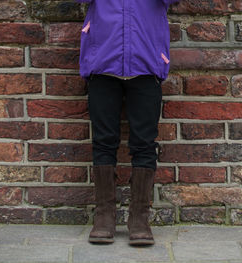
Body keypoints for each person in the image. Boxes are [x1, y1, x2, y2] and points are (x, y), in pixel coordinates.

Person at [76, 0, 180, 246]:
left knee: (144, 143)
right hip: (103, 65)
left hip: (146, 65)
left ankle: (139, 218)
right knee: (103, 141)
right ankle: (104, 217)